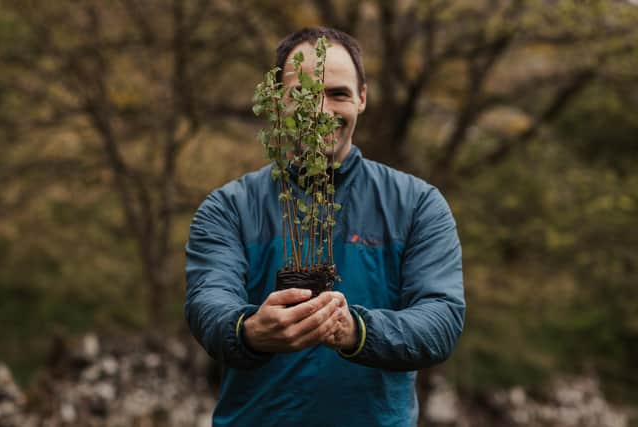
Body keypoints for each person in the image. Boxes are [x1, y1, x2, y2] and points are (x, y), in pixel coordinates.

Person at [185, 26, 465, 427]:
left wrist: (356, 330)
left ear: (362, 98)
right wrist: (249, 330)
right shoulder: (229, 208)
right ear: (279, 102)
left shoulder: (417, 205)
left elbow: (441, 319)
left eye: (338, 94)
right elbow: (207, 302)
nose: (319, 111)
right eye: (302, 94)